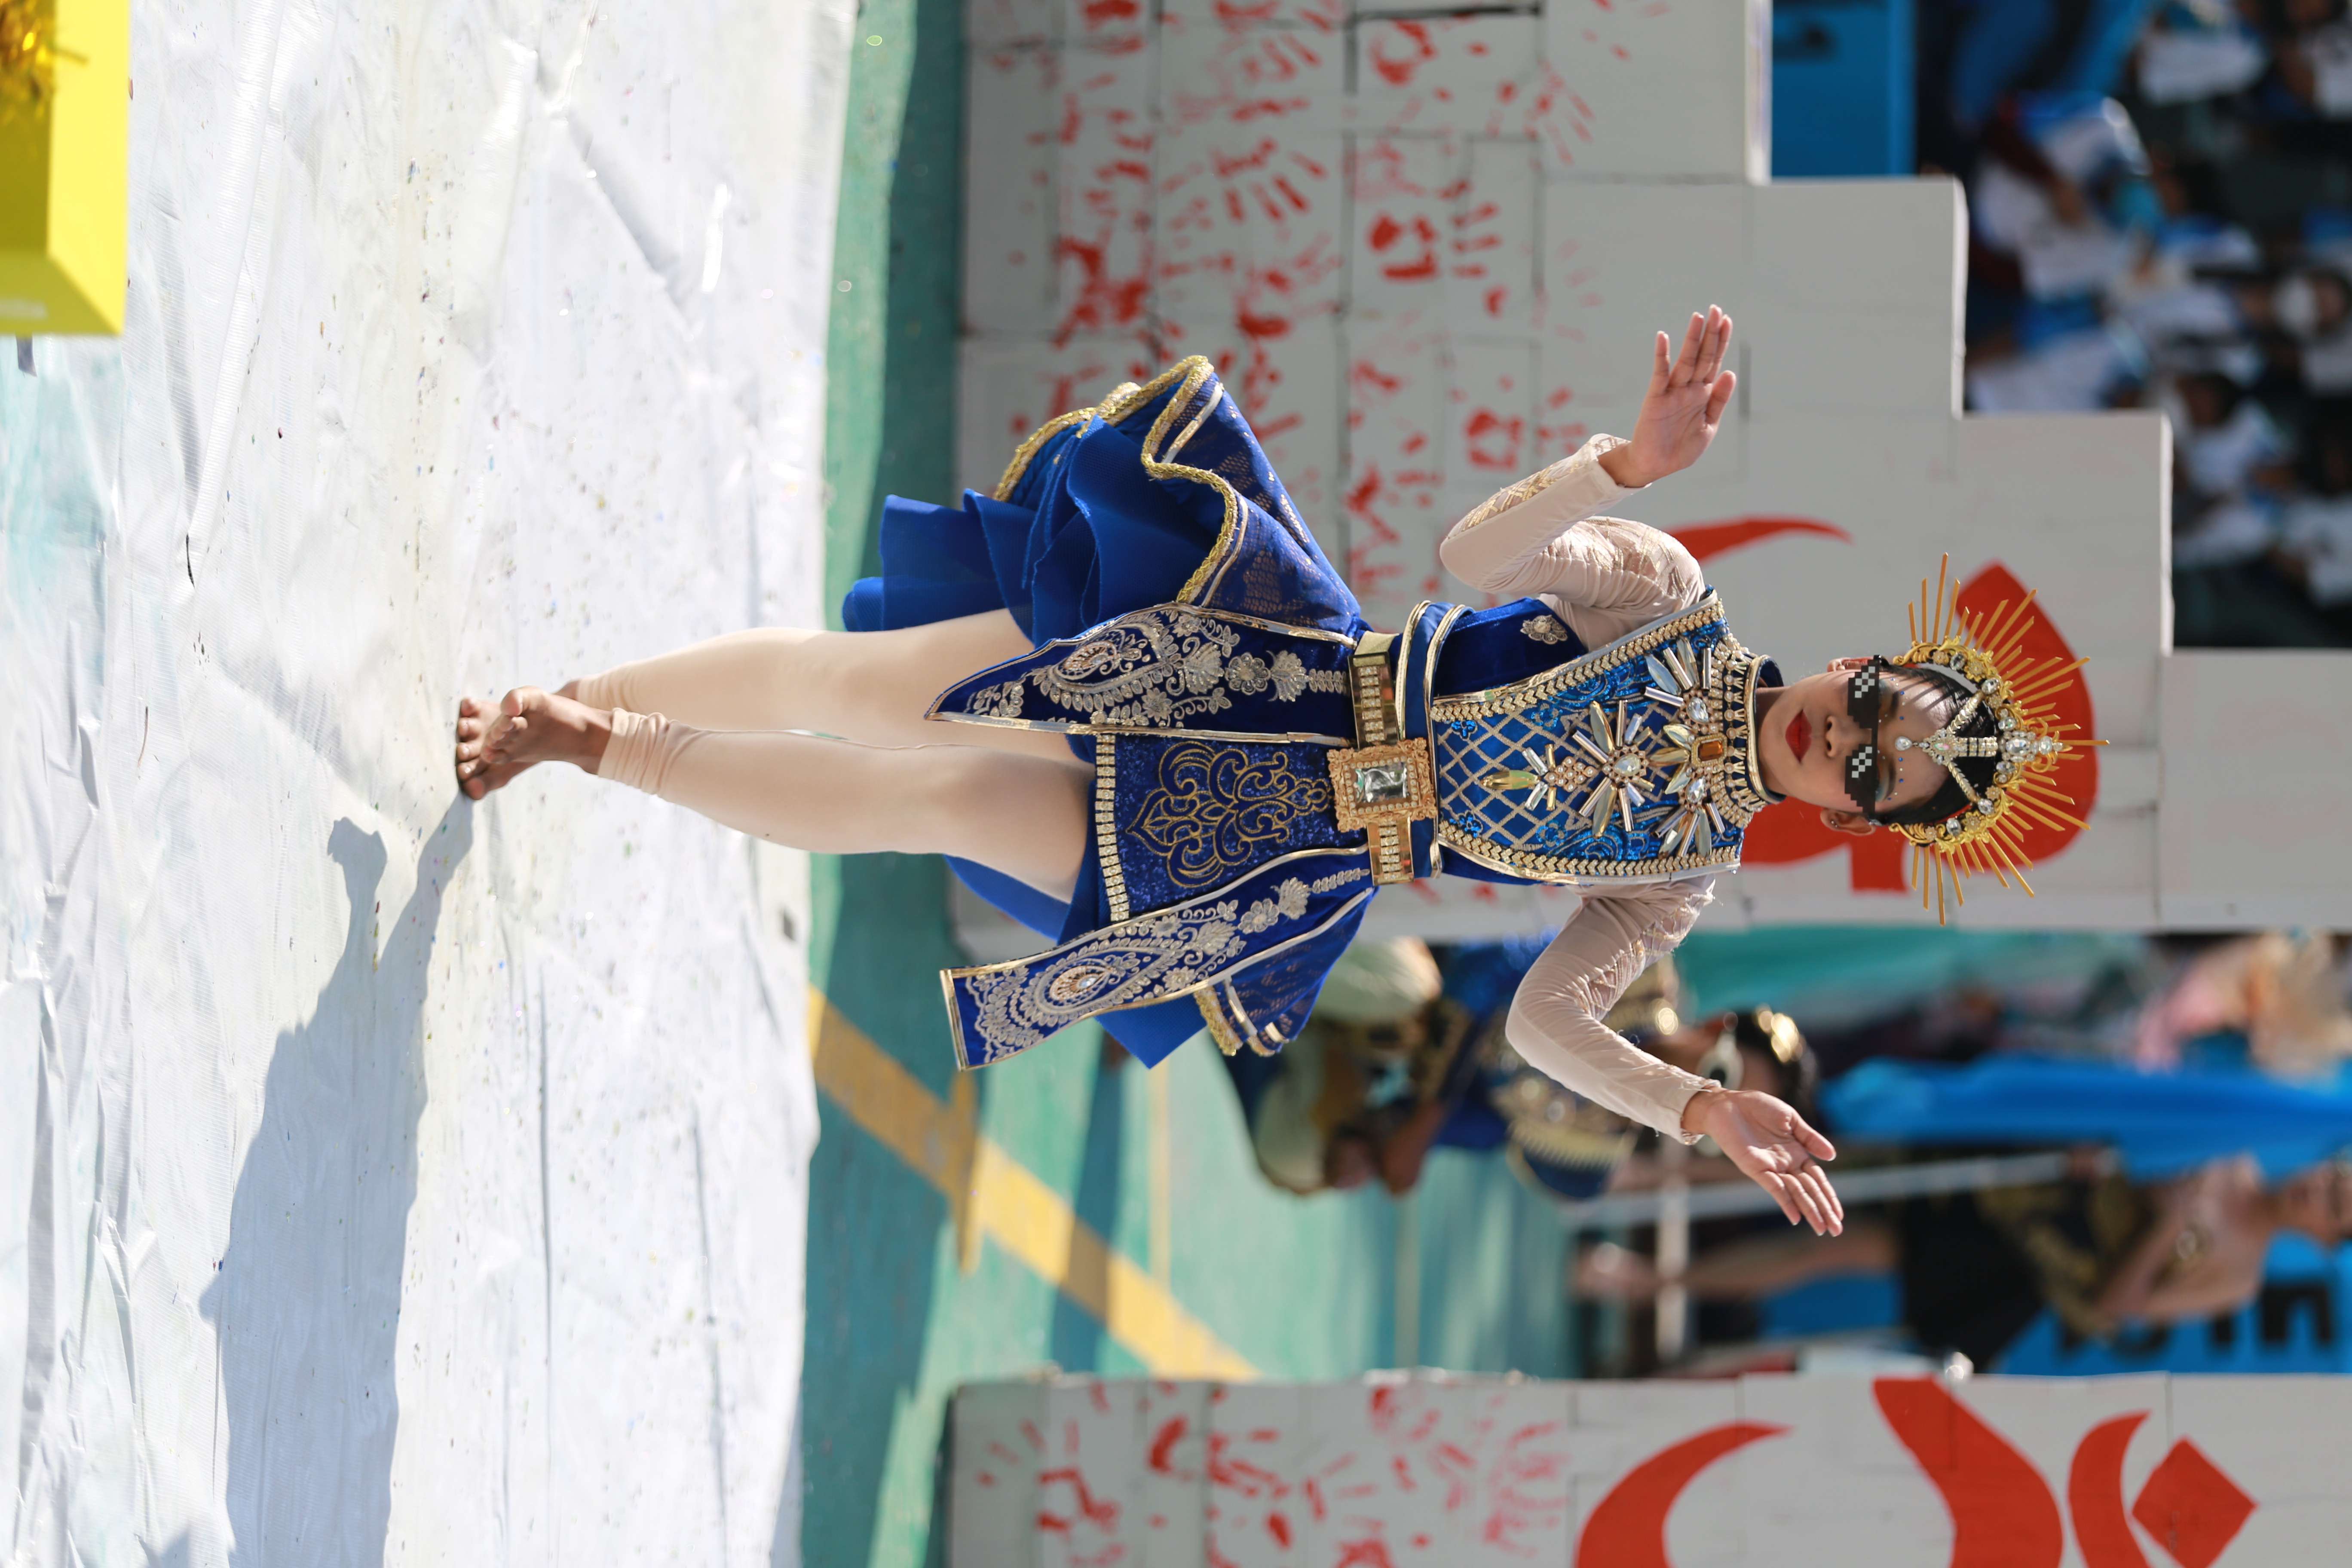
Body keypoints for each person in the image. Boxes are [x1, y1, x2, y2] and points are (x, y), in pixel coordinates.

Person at [453, 308, 2093, 1237]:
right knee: (886, 687)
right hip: (1255, 653)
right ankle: (582, 702)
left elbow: (1541, 1026)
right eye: (1872, 702)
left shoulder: (1676, 881)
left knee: (926, 802)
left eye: (1874, 769)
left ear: (1856, 816)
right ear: (1858, 657)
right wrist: (1617, 465)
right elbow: (1470, 559)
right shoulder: (1666, 594)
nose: (1846, 733)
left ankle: (595, 746)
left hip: (1267, 851)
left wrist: (1694, 1103)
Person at [1575, 1153, 2352, 1368]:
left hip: (2021, 1262)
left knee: (1836, 1248)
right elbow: (2128, 1131)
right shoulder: (2233, 1149)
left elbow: (2118, 1308)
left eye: (2334, 1204)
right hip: (2031, 1176)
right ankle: (1648, 1175)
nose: (2318, 1189)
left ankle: (1651, 1283)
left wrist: (2165, 1228)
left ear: (2325, 1241)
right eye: (2334, 1177)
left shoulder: (2237, 1280)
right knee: (1829, 1161)